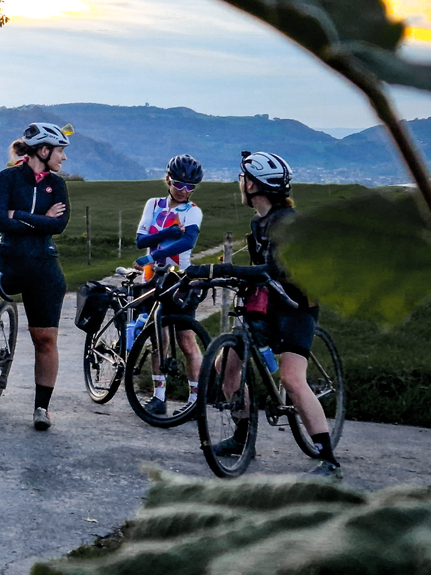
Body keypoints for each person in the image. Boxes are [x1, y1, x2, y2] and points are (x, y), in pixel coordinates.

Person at [226, 149, 340, 479]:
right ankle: (241, 437)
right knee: (226, 367)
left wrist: (224, 267)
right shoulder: (259, 221)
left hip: (297, 307)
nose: (241, 183)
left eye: (244, 178)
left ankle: (329, 460)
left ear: (254, 186)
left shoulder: (286, 223)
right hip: (268, 305)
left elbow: (276, 267)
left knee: (291, 380)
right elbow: (259, 269)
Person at [0, 121, 70, 431]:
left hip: (43, 263)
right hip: (7, 256)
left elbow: (58, 226)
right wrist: (38, 219)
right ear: (44, 150)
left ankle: (41, 407)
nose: (63, 158)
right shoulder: (8, 178)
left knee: (45, 339)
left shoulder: (58, 185)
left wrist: (18, 215)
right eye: (60, 151)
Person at [132, 154, 206, 415]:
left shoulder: (193, 211)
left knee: (186, 340)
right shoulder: (153, 205)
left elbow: (188, 242)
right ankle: (158, 397)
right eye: (179, 184)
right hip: (152, 279)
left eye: (190, 187)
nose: (184, 191)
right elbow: (141, 239)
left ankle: (196, 401)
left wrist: (154, 253)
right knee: (158, 339)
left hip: (180, 281)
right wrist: (166, 234)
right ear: (167, 180)